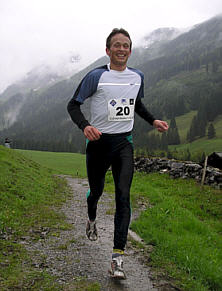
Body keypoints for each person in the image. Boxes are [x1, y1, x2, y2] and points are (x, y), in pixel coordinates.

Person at [67, 28, 168, 279]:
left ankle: (117, 259)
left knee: (124, 196)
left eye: (126, 45)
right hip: (99, 143)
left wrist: (153, 120)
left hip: (124, 144)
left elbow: (137, 104)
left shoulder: (138, 76)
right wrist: (86, 126)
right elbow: (73, 105)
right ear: (108, 50)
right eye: (117, 45)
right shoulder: (96, 76)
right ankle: (91, 218)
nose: (121, 49)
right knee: (97, 191)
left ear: (130, 50)